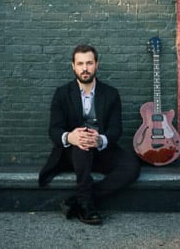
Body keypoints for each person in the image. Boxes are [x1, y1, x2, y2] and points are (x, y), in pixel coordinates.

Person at [38, 44, 141, 225]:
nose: (85, 68)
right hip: (72, 153)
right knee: (82, 144)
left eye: (89, 63)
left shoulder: (111, 94)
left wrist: (100, 139)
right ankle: (86, 206)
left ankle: (78, 199)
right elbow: (53, 129)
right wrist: (71, 137)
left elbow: (116, 129)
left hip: (101, 149)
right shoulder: (62, 94)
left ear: (96, 65)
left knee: (132, 166)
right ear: (73, 66)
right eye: (80, 64)